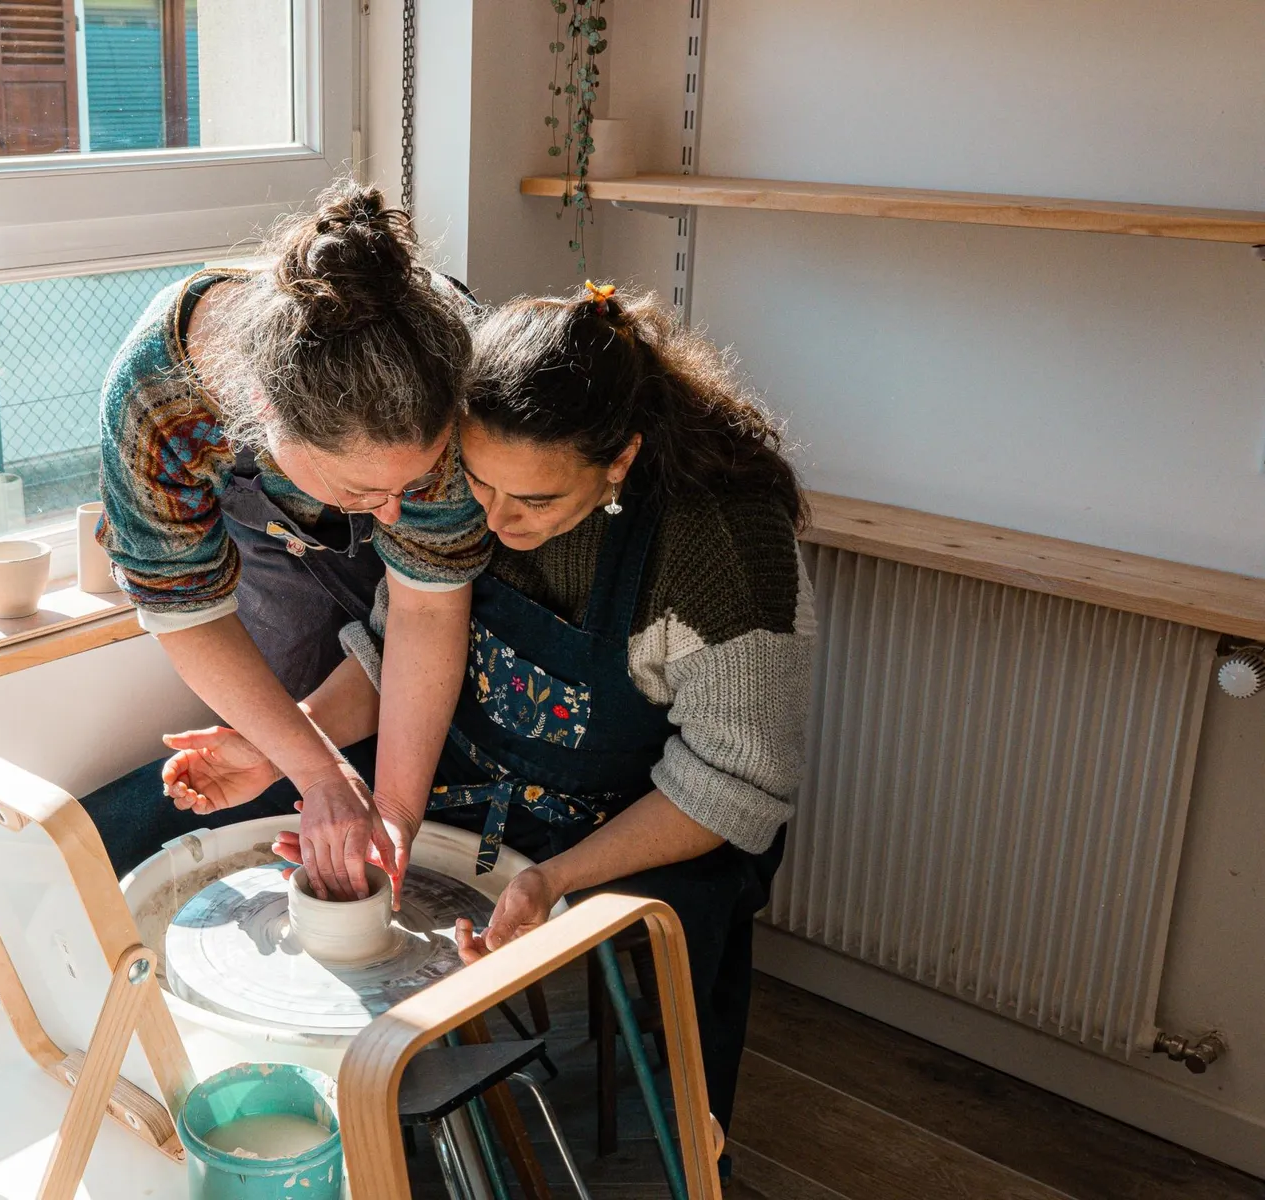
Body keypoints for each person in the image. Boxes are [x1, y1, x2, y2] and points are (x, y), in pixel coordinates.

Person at [161, 283, 815, 1141]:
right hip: (482, 798)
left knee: (632, 1092)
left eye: (535, 502)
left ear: (618, 460)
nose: (496, 521)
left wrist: (553, 879)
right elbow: (397, 655)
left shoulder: (721, 548)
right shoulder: (458, 489)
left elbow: (733, 787)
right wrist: (283, 743)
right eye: (478, 483)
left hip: (643, 830)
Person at [88, 180, 489, 901]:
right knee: (279, 745)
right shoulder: (155, 400)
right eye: (365, 494)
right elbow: (186, 612)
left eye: (411, 483)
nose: (391, 515)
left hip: (443, 599)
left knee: (428, 758)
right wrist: (316, 770)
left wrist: (395, 816)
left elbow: (427, 612)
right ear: (262, 413)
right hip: (268, 558)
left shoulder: (445, 376)